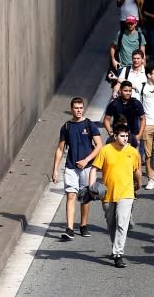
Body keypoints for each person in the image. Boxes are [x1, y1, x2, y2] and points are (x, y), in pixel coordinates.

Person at [89, 122, 142, 268]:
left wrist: (138, 183)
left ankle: (118, 254)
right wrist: (91, 187)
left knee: (121, 222)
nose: (125, 139)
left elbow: (137, 170)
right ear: (114, 136)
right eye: (122, 136)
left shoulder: (133, 152)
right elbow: (94, 169)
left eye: (127, 136)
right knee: (111, 222)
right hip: (107, 193)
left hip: (126, 192)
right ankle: (115, 247)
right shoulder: (105, 150)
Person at [51, 97, 103, 239]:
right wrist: (55, 169)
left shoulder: (89, 124)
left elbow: (99, 145)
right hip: (71, 167)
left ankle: (83, 225)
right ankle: (69, 229)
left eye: (81, 108)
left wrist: (86, 160)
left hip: (86, 168)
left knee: (85, 197)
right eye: (76, 108)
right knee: (71, 195)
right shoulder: (66, 127)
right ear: (71, 109)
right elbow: (60, 149)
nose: (79, 110)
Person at [103, 81, 146, 150]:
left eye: (130, 91)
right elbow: (106, 120)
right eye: (125, 91)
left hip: (133, 136)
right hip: (117, 137)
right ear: (120, 90)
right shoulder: (114, 104)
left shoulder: (136, 103)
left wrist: (139, 135)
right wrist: (110, 133)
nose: (128, 93)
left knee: (133, 158)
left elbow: (143, 119)